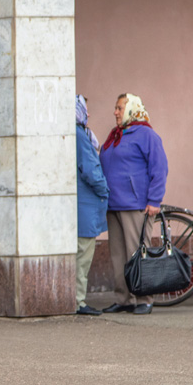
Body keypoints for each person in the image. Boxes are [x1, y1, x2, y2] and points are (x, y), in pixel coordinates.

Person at [99, 93, 168, 315]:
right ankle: (125, 298)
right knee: (118, 255)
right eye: (116, 108)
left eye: (120, 108)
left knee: (137, 253)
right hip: (114, 204)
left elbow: (159, 169)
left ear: (132, 109)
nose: (115, 112)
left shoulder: (146, 134)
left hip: (136, 204)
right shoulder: (116, 135)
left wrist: (154, 200)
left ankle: (144, 298)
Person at [74, 95, 108, 316]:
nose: (88, 114)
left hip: (81, 206)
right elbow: (91, 171)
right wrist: (105, 190)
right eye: (85, 109)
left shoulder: (75, 134)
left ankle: (75, 299)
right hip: (85, 207)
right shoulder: (79, 135)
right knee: (83, 256)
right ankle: (77, 301)